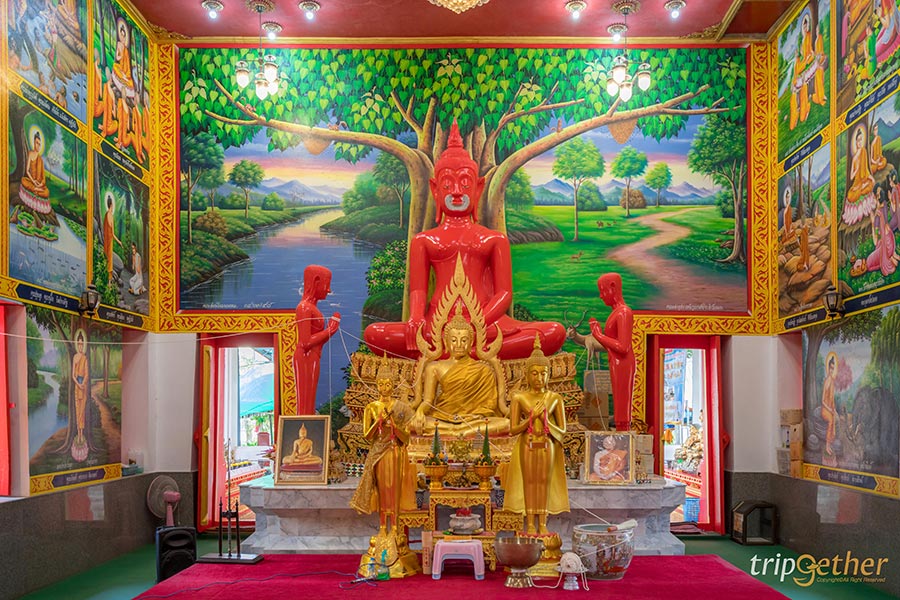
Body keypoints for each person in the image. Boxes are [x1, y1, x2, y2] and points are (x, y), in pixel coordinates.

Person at [363, 121, 565, 361]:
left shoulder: (494, 239)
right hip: (437, 326)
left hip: (486, 326)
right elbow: (418, 290)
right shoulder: (424, 240)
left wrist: (476, 323)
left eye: (465, 183)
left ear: (478, 189)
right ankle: (474, 356)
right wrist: (416, 319)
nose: (457, 191)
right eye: (448, 184)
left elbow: (504, 294)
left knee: (552, 332)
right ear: (435, 190)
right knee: (375, 334)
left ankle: (449, 356)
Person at [502, 336, 568, 535]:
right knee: (530, 482)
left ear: (549, 375)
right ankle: (530, 523)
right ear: (527, 374)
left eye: (543, 373)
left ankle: (543, 523)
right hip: (527, 444)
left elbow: (562, 431)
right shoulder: (519, 397)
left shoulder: (555, 398)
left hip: (548, 444)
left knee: (544, 482)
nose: (539, 378)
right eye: (535, 373)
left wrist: (546, 421)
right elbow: (513, 429)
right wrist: (530, 419)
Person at [411, 308, 508, 435]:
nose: (459, 344)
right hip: (443, 418)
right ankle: (460, 432)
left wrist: (495, 363)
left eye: (464, 340)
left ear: (471, 342)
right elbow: (428, 401)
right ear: (445, 341)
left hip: (474, 420)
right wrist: (420, 412)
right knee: (412, 423)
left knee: (506, 423)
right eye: (453, 340)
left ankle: (456, 431)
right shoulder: (434, 367)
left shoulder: (483, 369)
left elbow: (491, 407)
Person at [350, 363, 416, 535]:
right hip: (379, 453)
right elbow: (367, 435)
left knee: (395, 489)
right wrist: (378, 423)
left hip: (395, 452)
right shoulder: (371, 407)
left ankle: (394, 525)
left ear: (393, 385)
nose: (384, 388)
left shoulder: (401, 407)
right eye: (381, 384)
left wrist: (394, 426)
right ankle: (381, 526)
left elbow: (407, 437)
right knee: (381, 489)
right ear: (376, 385)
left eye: (387, 384)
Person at [589, 273, 636, 432]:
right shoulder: (616, 313)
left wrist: (598, 335)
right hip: (615, 361)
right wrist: (598, 335)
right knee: (619, 401)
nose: (601, 296)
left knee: (622, 402)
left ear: (613, 287)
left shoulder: (624, 312)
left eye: (603, 291)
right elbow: (613, 346)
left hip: (622, 362)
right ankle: (620, 430)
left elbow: (623, 347)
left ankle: (623, 431)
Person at [293, 265, 340, 411]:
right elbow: (305, 342)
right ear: (316, 281)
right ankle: (304, 423)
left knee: (310, 400)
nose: (328, 290)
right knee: (305, 402)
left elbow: (316, 342)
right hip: (305, 356)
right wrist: (330, 330)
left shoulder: (311, 308)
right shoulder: (304, 308)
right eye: (327, 284)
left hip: (313, 355)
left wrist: (330, 331)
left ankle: (309, 421)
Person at [843, 125, 877, 226]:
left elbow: (866, 170)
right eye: (858, 140)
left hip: (864, 181)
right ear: (855, 142)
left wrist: (871, 178)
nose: (860, 142)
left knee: (870, 184)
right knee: (850, 196)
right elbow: (851, 177)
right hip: (857, 184)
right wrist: (856, 170)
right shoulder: (854, 159)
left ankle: (863, 191)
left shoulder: (864, 152)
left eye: (861, 139)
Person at [865, 193, 899, 276]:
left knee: (870, 260)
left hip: (887, 246)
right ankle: (892, 256)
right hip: (887, 245)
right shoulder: (880, 212)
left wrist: (874, 223)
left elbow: (876, 239)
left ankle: (891, 256)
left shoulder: (881, 213)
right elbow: (876, 240)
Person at [19, 129, 51, 215]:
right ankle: (36, 190)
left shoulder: (40, 160)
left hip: (39, 184)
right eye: (37, 143)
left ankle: (36, 190)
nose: (38, 146)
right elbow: (27, 170)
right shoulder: (30, 154)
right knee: (23, 180)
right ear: (34, 142)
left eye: (40, 144)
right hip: (31, 181)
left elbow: (43, 178)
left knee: (47, 192)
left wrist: (40, 184)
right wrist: (33, 182)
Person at [72, 330, 89, 444]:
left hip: (84, 387)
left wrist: (83, 383)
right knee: (78, 410)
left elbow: (87, 374)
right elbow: (73, 375)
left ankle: (82, 434)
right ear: (77, 345)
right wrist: (78, 384)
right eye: (79, 344)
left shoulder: (85, 358)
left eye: (82, 344)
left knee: (82, 411)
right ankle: (78, 434)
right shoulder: (75, 357)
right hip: (77, 387)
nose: (80, 346)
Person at [102, 194, 123, 285]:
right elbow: (111, 233)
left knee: (108, 260)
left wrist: (119, 242)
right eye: (113, 205)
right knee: (109, 261)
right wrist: (119, 242)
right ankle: (108, 281)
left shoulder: (108, 215)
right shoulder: (109, 216)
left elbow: (110, 233)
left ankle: (109, 281)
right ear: (111, 205)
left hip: (108, 241)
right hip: (108, 241)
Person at [821, 352, 838, 456]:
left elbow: (832, 399)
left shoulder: (832, 381)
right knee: (831, 421)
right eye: (830, 368)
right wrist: (829, 409)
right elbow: (823, 400)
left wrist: (834, 409)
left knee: (835, 419)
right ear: (828, 368)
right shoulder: (827, 381)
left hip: (830, 408)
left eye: (833, 368)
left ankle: (830, 444)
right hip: (825, 409)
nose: (832, 370)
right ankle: (827, 446)